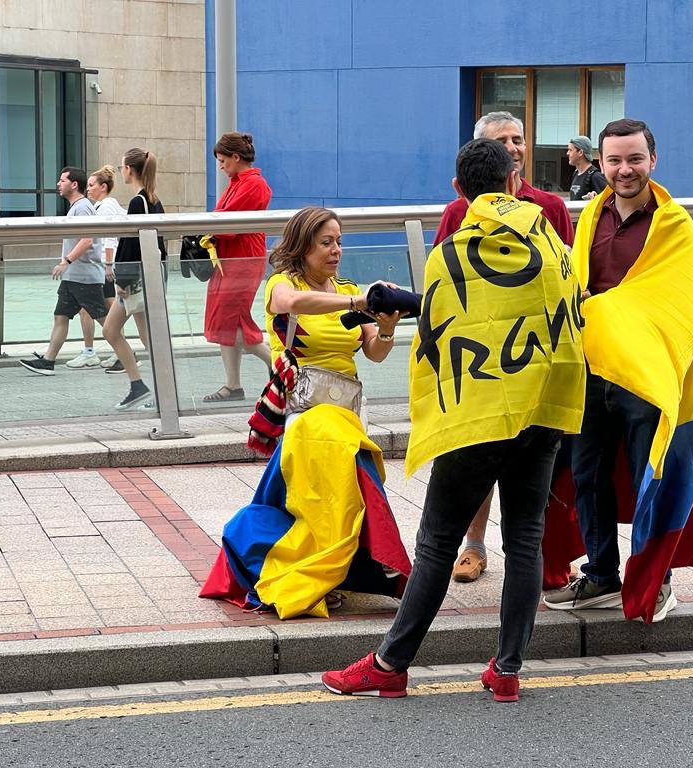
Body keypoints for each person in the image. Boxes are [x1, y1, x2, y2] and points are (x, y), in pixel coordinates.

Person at [322, 138, 585, 702]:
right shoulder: (556, 247)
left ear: (459, 194)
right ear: (515, 182)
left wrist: (395, 302)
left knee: (439, 542)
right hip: (544, 409)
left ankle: (390, 665)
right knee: (525, 540)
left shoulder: (450, 255)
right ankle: (507, 668)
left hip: (479, 414)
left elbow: (445, 321)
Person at [542, 118, 693, 624]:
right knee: (588, 475)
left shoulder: (675, 225)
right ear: (599, 163)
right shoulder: (590, 218)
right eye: (614, 160)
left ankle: (653, 577)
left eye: (634, 159)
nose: (624, 169)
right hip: (594, 371)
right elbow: (580, 292)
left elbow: (686, 306)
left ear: (653, 161)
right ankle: (600, 575)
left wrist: (610, 310)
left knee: (651, 474)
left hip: (647, 379)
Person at [200, 206, 410, 619]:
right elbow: (293, 302)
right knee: (325, 496)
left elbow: (375, 353)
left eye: (339, 242)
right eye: (326, 242)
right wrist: (357, 299)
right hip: (306, 412)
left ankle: (331, 571)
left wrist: (386, 324)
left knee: (336, 499)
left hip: (346, 411)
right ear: (303, 245)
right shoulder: (282, 284)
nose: (336, 250)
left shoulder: (348, 287)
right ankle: (318, 571)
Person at [434, 110, 576, 585]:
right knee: (478, 453)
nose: (514, 147)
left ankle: (539, 555)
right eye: (503, 141)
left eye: (518, 138)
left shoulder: (549, 208)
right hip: (483, 359)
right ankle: (473, 547)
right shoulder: (459, 210)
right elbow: (444, 284)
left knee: (540, 467)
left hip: (535, 354)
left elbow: (566, 275)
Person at [202, 132, 273, 403]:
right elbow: (224, 221)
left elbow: (227, 224)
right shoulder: (241, 182)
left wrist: (208, 227)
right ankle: (234, 384)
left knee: (233, 318)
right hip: (232, 258)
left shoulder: (253, 184)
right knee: (229, 319)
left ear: (235, 157)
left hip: (241, 258)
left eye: (222, 160)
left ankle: (277, 364)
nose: (220, 166)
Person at [19, 168, 107, 376]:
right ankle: (49, 361)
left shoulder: (83, 207)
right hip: (74, 277)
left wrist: (66, 261)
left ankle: (126, 356)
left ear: (74, 184)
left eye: (62, 180)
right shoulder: (77, 207)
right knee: (61, 316)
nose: (58, 184)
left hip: (84, 277)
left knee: (106, 321)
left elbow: (87, 239)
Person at [103, 147, 166, 409]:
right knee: (145, 336)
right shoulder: (154, 200)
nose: (121, 172)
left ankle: (146, 388)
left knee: (113, 331)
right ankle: (148, 387)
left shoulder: (138, 202)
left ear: (129, 169)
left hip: (135, 281)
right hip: (147, 279)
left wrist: (122, 279)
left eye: (121, 168)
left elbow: (131, 245)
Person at [83, 165, 125, 369]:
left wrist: (108, 266)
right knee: (111, 312)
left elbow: (109, 238)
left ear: (103, 187)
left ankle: (120, 353)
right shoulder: (107, 205)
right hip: (105, 266)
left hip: (105, 266)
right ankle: (121, 353)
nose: (88, 189)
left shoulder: (106, 206)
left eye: (92, 185)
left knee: (96, 310)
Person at [567, 135, 607, 201]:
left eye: (570, 150)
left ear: (580, 152)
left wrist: (596, 198)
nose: (567, 153)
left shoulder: (596, 176)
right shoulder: (575, 174)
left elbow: (609, 201)